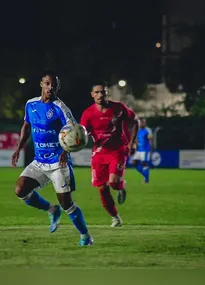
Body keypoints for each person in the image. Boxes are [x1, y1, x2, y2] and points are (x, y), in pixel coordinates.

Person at [11, 70, 93, 246]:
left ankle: (86, 236)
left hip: (58, 162)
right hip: (39, 161)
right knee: (20, 190)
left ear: (57, 88)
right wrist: (19, 148)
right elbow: (26, 125)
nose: (50, 88)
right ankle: (51, 209)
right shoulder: (30, 104)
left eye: (54, 85)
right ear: (41, 84)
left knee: (67, 204)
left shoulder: (60, 108)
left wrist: (66, 150)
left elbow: (75, 132)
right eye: (47, 84)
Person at [80, 80, 139, 227]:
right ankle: (115, 217)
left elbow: (135, 121)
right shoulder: (87, 114)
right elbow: (81, 133)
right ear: (92, 95)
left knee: (112, 182)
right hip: (99, 154)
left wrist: (132, 142)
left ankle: (120, 186)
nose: (100, 95)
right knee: (102, 189)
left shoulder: (118, 108)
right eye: (97, 92)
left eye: (103, 92)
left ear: (107, 93)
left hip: (118, 150)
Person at [130, 118, 153, 183]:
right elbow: (136, 139)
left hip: (145, 150)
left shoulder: (148, 130)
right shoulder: (138, 130)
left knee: (144, 164)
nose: (143, 123)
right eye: (142, 122)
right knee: (134, 163)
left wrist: (151, 150)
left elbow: (150, 140)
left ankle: (146, 179)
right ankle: (146, 177)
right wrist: (134, 147)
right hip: (138, 150)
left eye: (144, 122)